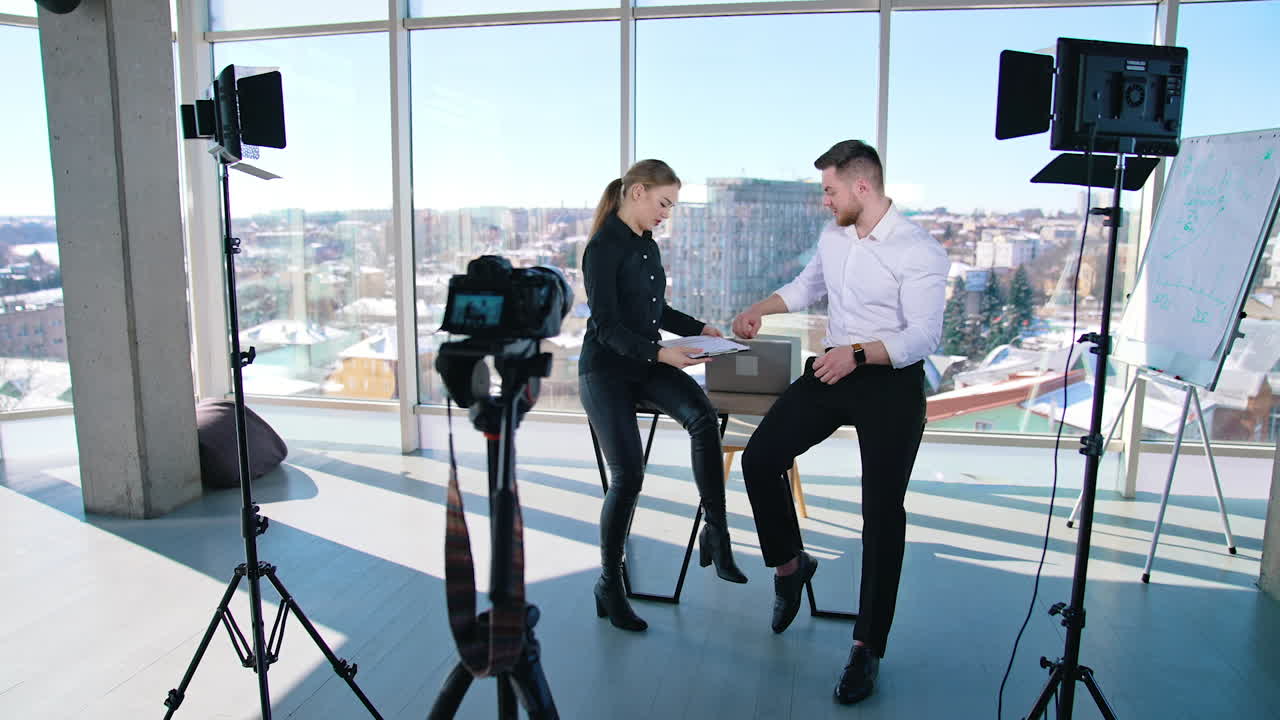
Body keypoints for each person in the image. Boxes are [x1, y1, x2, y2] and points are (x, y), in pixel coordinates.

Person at [731, 140, 950, 704]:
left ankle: (866, 648)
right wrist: (761, 308)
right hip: (834, 369)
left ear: (861, 187)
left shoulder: (919, 250)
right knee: (760, 461)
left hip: (890, 381)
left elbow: (923, 337)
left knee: (880, 512)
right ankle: (789, 566)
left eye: (829, 191)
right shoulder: (835, 238)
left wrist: (857, 353)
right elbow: (809, 286)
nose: (825, 201)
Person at [580, 159, 748, 633]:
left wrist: (699, 330)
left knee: (701, 415)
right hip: (607, 370)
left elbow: (655, 309)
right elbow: (608, 328)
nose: (666, 214)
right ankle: (609, 583)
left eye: (671, 205)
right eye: (663, 203)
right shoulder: (602, 248)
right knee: (627, 477)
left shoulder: (647, 245)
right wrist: (661, 354)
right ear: (637, 193)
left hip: (647, 361)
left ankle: (716, 532)